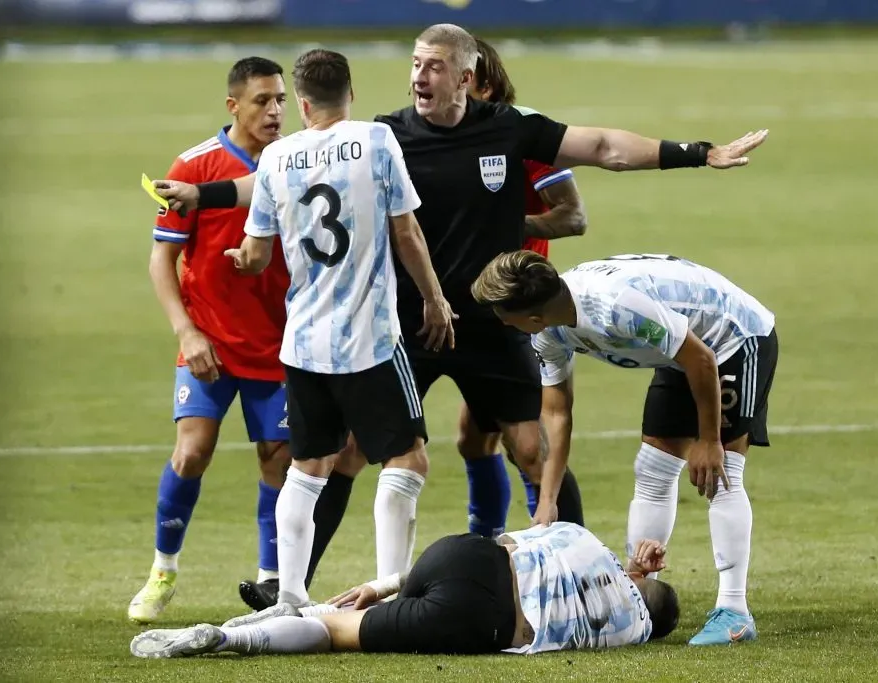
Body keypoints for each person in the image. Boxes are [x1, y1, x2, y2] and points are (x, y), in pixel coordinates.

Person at [150, 23, 769, 526]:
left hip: (495, 322)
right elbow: (274, 179)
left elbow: (605, 146)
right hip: (407, 323)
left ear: (466, 78)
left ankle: (574, 567)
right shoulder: (383, 135)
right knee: (347, 452)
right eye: (416, 63)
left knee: (531, 449)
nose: (420, 74)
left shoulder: (510, 128)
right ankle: (289, 591)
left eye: (435, 65)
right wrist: (203, 198)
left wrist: (697, 153)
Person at [223, 49, 454, 612]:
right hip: (370, 338)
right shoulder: (376, 141)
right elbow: (407, 232)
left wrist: (239, 259)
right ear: (349, 94)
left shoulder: (275, 158)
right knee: (407, 459)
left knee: (307, 467)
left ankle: (291, 596)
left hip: (303, 342)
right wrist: (434, 297)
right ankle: (393, 588)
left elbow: (255, 254)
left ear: (301, 103)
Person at [130, 56, 350, 624]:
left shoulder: (302, 159)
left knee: (278, 459)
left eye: (281, 99)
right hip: (209, 342)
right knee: (192, 450)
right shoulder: (195, 164)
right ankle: (163, 570)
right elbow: (162, 259)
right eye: (262, 101)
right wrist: (187, 330)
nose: (275, 110)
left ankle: (272, 584)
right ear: (234, 105)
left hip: (281, 345)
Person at [470, 250, 779, 646]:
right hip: (682, 350)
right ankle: (636, 594)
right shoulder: (549, 328)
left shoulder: (616, 308)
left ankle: (734, 612)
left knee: (722, 472)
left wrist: (708, 439)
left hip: (733, 336)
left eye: (501, 314)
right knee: (652, 468)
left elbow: (701, 359)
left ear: (532, 318)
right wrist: (547, 501)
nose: (499, 321)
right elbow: (557, 412)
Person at [129, 522, 680, 658]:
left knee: (366, 604)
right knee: (335, 632)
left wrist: (381, 582)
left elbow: (506, 536)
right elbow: (621, 602)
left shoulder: (579, 538)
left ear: (641, 579)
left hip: (462, 554)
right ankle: (230, 642)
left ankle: (262, 615)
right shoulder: (632, 630)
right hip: (481, 616)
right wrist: (638, 583)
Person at [460, 36, 588, 535]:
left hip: (518, 309)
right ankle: (484, 542)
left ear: (484, 83)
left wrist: (508, 222)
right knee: (474, 437)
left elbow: (573, 217)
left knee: (529, 444)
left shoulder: (522, 135)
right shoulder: (443, 139)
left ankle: (567, 550)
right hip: (471, 305)